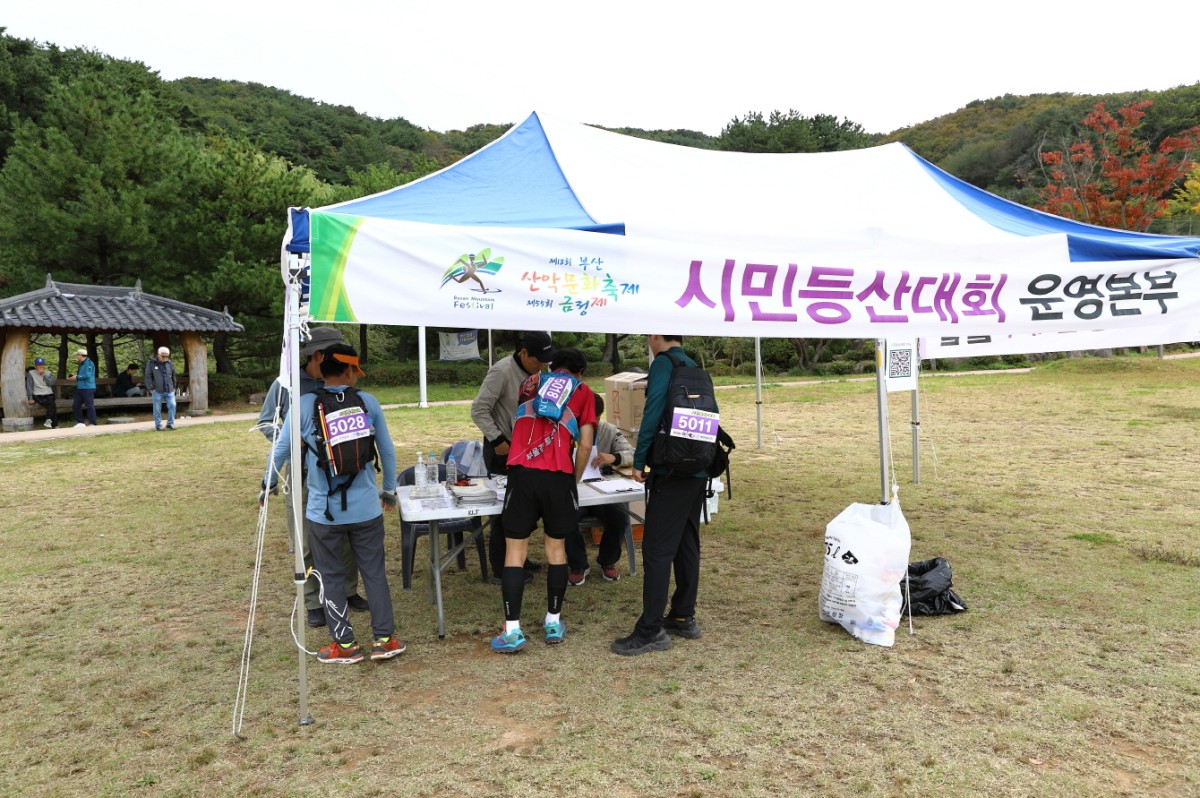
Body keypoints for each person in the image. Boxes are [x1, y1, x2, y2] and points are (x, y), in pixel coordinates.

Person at [267, 343, 403, 664]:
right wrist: (389, 490)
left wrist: (268, 483)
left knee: (330, 576)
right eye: (355, 371)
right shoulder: (368, 402)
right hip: (367, 509)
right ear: (349, 370)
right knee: (374, 573)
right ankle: (384, 640)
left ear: (323, 370)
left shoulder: (304, 405)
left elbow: (282, 448)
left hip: (323, 512)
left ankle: (345, 644)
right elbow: (387, 450)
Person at [258, 326, 365, 629]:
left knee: (346, 537)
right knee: (305, 542)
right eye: (335, 352)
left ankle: (348, 591)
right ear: (318, 355)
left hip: (343, 473)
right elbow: (266, 422)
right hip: (303, 475)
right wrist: (291, 438)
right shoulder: (286, 383)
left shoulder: (342, 379)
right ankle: (313, 602)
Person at [491, 347, 597, 653]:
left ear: (553, 366)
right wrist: (574, 478)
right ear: (580, 373)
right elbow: (586, 445)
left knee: (515, 551)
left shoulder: (531, 382)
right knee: (556, 549)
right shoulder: (584, 392)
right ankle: (553, 622)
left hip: (522, 473)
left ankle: (512, 631)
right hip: (559, 476)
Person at [611, 335, 709, 656]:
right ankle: (682, 615)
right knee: (687, 543)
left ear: (656, 336)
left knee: (656, 549)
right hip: (698, 468)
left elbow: (652, 413)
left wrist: (639, 462)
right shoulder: (694, 366)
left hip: (671, 470)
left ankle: (650, 629)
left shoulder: (663, 365)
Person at [470, 330, 557, 580]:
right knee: (504, 510)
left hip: (529, 450)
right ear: (524, 353)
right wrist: (498, 440)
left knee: (525, 506)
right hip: (503, 448)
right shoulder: (502, 371)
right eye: (538, 360)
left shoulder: (538, 374)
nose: (542, 366)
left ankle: (519, 557)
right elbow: (479, 409)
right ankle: (501, 569)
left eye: (546, 361)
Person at [566, 393, 634, 585]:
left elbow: (632, 454)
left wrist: (614, 458)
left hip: (602, 490)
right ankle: (578, 565)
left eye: (594, 418)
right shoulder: (565, 431)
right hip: (574, 490)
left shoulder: (608, 430)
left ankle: (607, 561)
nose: (591, 423)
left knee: (619, 517)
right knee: (565, 518)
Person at [145, 347, 178, 431]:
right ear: (158, 355)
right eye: (163, 356)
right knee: (157, 409)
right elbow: (148, 376)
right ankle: (158, 425)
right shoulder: (151, 363)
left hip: (169, 389)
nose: (165, 358)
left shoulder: (170, 363)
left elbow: (173, 375)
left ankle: (170, 424)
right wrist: (151, 388)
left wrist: (174, 386)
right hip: (157, 390)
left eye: (167, 356)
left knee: (172, 405)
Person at [25, 357, 58, 429]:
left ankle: (49, 420)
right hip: (37, 394)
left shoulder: (48, 373)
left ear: (44, 365)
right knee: (52, 405)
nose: (40, 366)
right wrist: (30, 398)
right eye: (38, 365)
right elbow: (29, 386)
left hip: (48, 393)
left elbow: (51, 383)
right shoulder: (31, 373)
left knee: (52, 404)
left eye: (42, 365)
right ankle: (54, 424)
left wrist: (44, 375)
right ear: (35, 365)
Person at [68, 348, 97, 428]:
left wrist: (76, 377)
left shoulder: (89, 363)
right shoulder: (82, 364)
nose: (76, 356)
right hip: (80, 388)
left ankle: (92, 423)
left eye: (77, 355)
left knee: (89, 405)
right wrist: (76, 376)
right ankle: (80, 422)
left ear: (80, 355)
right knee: (75, 405)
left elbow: (87, 375)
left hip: (88, 388)